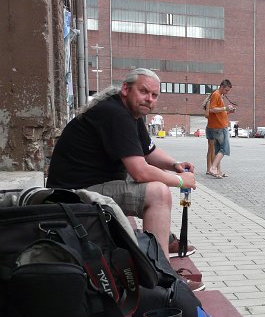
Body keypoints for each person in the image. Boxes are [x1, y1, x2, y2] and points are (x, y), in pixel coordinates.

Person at [47, 68, 201, 275]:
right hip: (74, 195)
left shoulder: (130, 114)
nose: (149, 99)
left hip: (86, 187)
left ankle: (153, 249)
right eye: (144, 91)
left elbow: (149, 152)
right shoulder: (115, 114)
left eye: (154, 95)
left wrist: (175, 165)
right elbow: (140, 172)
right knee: (158, 193)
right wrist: (180, 181)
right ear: (126, 89)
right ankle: (163, 275)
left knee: (133, 203)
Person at [206, 79, 236, 178]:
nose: (227, 92)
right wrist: (225, 108)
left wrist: (228, 111)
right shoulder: (216, 95)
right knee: (224, 149)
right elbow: (212, 109)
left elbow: (219, 113)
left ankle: (218, 171)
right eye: (226, 90)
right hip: (219, 127)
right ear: (222, 87)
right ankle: (213, 168)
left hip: (217, 125)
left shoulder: (219, 96)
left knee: (218, 149)